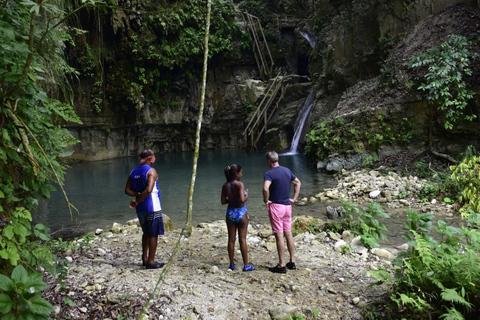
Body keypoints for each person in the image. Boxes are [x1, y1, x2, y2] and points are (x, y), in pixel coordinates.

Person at [125, 149, 165, 269]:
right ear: (149, 159)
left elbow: (127, 190)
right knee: (153, 234)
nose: (154, 159)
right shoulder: (151, 171)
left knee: (146, 232)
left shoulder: (133, 171)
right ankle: (151, 262)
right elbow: (149, 190)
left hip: (140, 208)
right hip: (152, 206)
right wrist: (137, 200)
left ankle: (144, 258)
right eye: (153, 157)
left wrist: (137, 196)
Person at [263, 151, 301, 273]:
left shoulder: (269, 173)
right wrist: (294, 198)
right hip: (287, 207)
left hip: (276, 207)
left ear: (269, 161)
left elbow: (265, 188)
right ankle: (292, 261)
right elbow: (298, 183)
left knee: (279, 235)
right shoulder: (287, 170)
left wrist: (266, 200)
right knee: (288, 233)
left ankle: (281, 265)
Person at [221, 164, 255, 272]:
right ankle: (246, 265)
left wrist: (231, 200)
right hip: (241, 213)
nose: (242, 174)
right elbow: (241, 200)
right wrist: (247, 196)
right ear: (236, 174)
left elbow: (223, 201)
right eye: (241, 172)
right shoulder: (240, 184)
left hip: (230, 212)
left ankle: (231, 264)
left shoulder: (225, 186)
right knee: (242, 240)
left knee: (231, 240)